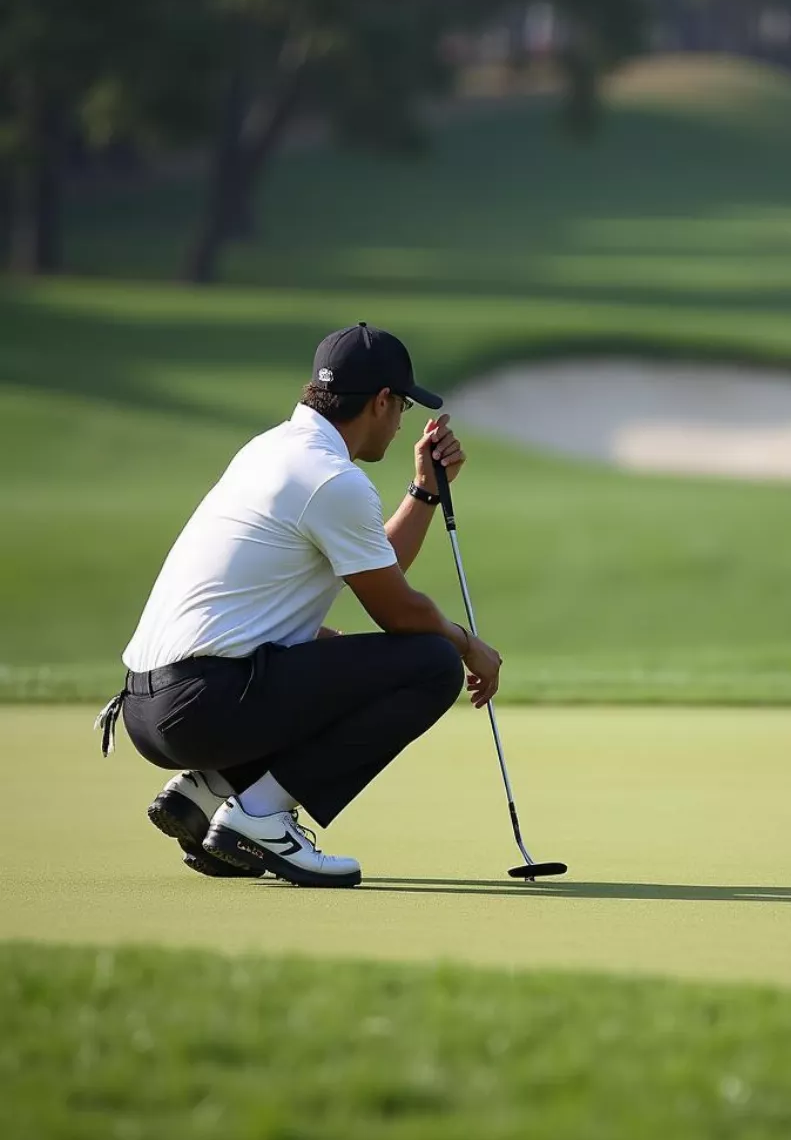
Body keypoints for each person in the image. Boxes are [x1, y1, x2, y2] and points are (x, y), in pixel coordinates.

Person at [94, 322, 502, 888]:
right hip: (201, 703)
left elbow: (374, 567)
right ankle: (258, 815)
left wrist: (425, 491)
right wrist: (468, 646)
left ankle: (208, 788)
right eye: (403, 404)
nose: (403, 418)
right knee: (430, 664)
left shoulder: (272, 449)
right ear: (381, 401)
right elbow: (399, 613)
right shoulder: (333, 478)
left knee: (357, 661)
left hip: (148, 707)